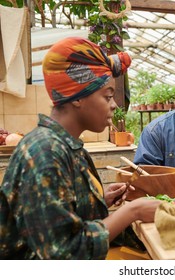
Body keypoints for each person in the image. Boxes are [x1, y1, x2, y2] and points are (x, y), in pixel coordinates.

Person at [0, 37, 160, 259]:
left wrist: (97, 200)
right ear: (76, 97)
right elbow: (63, 253)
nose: (114, 105)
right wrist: (131, 212)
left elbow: (58, 216)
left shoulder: (70, 147)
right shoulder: (44, 152)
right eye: (108, 96)